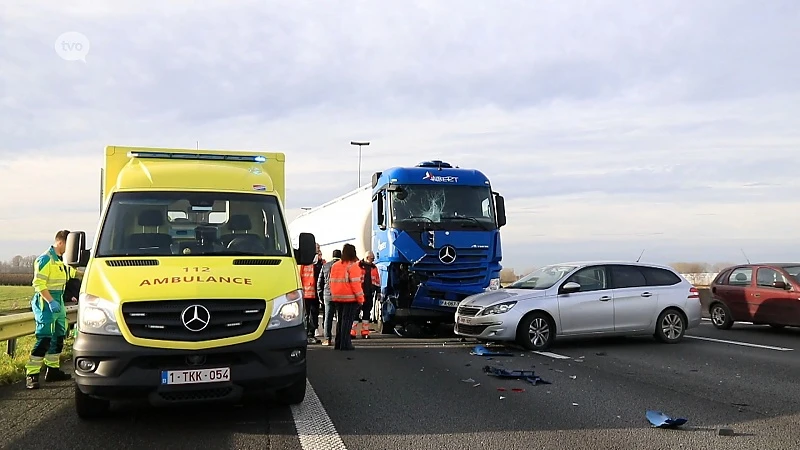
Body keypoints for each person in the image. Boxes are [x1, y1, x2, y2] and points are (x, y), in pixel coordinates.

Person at [25, 230, 77, 389]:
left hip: (58, 301)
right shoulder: (45, 259)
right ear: (61, 242)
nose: (70, 250)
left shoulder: (61, 262)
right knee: (45, 337)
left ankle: (52, 371)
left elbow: (75, 274)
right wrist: (51, 301)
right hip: (46, 302)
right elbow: (39, 284)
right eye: (69, 245)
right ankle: (32, 375)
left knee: (59, 336)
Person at [330, 244, 364, 351]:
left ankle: (338, 343)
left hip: (337, 297)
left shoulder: (335, 265)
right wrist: (361, 299)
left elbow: (331, 282)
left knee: (340, 321)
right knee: (347, 322)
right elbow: (356, 285)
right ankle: (345, 344)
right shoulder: (353, 266)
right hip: (350, 298)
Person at [298, 243, 325, 344]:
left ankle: (311, 333)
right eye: (316, 248)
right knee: (305, 315)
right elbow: (299, 277)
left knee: (314, 314)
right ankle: (305, 334)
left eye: (318, 248)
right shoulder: (304, 262)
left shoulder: (321, 262)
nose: (318, 250)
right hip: (306, 293)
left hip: (316, 293)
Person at [352, 251, 380, 339]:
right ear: (367, 257)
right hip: (359, 294)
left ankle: (365, 332)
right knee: (355, 313)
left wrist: (377, 291)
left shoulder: (374, 268)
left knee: (366, 314)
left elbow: (377, 280)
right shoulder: (358, 266)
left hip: (369, 294)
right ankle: (352, 332)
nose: (373, 260)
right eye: (372, 258)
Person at [317, 249, 342, 346]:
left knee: (328, 318)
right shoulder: (343, 266)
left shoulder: (325, 266)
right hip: (340, 295)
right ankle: (339, 339)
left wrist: (320, 295)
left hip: (328, 295)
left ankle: (327, 339)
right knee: (340, 318)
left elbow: (320, 282)